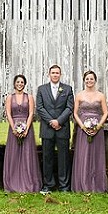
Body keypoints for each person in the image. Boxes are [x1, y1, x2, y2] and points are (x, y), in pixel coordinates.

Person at [35, 64, 74, 193]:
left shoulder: (67, 89)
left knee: (63, 158)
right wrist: (51, 121)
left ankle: (64, 185)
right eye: (53, 73)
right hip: (47, 128)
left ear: (60, 74)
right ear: (49, 74)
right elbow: (40, 108)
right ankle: (48, 184)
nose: (55, 75)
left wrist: (59, 121)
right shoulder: (42, 89)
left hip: (62, 128)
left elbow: (69, 107)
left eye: (57, 73)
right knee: (47, 158)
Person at [2, 74, 41, 193]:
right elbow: (8, 113)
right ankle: (12, 182)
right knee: (13, 154)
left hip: (27, 128)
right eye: (18, 82)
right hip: (13, 127)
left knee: (27, 155)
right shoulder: (10, 97)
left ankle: (28, 181)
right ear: (14, 84)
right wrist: (14, 127)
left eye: (22, 82)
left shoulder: (29, 97)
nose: (20, 84)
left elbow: (31, 113)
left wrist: (27, 128)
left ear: (25, 84)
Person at [71, 70, 108, 193]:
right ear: (84, 81)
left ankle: (97, 184)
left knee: (96, 155)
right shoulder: (80, 95)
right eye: (87, 79)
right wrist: (82, 126)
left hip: (97, 129)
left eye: (91, 79)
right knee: (83, 154)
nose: (89, 81)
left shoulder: (100, 95)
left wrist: (98, 126)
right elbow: (75, 113)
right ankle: (82, 183)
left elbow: (105, 112)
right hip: (83, 128)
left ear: (95, 80)